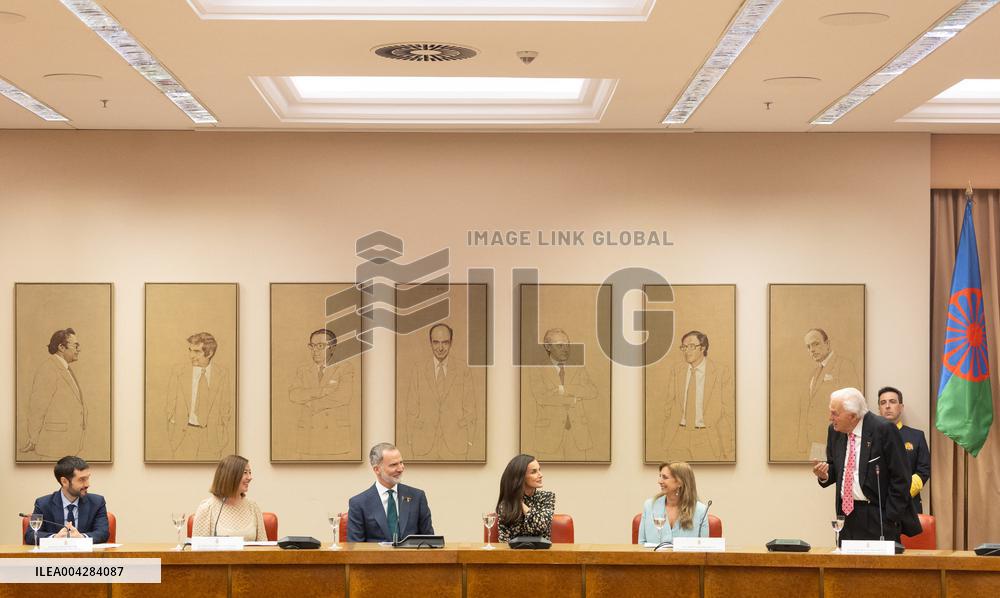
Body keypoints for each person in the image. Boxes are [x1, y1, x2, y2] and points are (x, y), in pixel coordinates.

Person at [811, 388, 921, 543]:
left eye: (835, 413)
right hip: (846, 516)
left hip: (878, 515)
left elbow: (901, 477)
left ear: (852, 416)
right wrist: (825, 475)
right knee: (846, 567)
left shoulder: (883, 429)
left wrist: (890, 517)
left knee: (879, 567)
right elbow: (836, 468)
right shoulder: (835, 431)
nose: (830, 418)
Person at [404, 323, 477, 460]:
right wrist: (410, 440)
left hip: (456, 443)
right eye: (436, 342)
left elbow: (470, 408)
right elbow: (411, 408)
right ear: (430, 342)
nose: (440, 347)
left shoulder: (463, 369)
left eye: (445, 342)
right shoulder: (418, 369)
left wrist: (469, 440)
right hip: (423, 443)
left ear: (451, 342)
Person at [661, 331, 734, 461]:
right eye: (684, 347)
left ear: (703, 347)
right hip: (678, 436)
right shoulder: (677, 370)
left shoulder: (720, 372)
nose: (686, 351)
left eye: (691, 346)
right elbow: (668, 405)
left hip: (706, 437)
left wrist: (728, 447)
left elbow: (728, 411)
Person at [528, 328, 598, 460]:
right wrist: (573, 400)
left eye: (567, 345)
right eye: (560, 345)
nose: (566, 349)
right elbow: (541, 398)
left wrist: (564, 390)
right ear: (548, 347)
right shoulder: (537, 368)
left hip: (578, 435)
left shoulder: (577, 367)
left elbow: (592, 391)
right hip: (549, 436)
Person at [288, 329, 355, 458]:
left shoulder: (345, 367)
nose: (315, 350)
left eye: (320, 346)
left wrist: (312, 404)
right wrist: (322, 391)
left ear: (333, 348)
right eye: (312, 346)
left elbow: (343, 396)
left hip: (334, 434)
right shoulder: (303, 370)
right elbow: (294, 394)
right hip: (308, 435)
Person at [347, 443, 434, 542]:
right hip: (375, 557)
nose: (400, 468)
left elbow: (429, 542)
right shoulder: (359, 503)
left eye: (401, 462)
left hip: (411, 557)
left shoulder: (417, 497)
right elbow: (355, 548)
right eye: (393, 465)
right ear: (377, 469)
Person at [166, 332, 233, 460]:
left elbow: (226, 406)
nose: (191, 356)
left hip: (213, 439)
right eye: (190, 350)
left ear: (210, 353)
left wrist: (221, 429)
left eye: (197, 352)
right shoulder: (178, 372)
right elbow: (170, 405)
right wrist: (173, 425)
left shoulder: (222, 374)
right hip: (183, 437)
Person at [21, 328, 87, 458]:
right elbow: (37, 408)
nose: (79, 349)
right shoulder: (48, 369)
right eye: (76, 345)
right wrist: (33, 439)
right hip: (53, 447)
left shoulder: (64, 368)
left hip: (67, 445)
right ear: (62, 347)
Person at [799, 329, 861, 455]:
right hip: (815, 443)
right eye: (808, 346)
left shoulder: (844, 365)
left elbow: (854, 407)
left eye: (816, 344)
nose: (812, 349)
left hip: (837, 440)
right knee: (820, 474)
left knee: (835, 474)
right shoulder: (813, 373)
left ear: (827, 344)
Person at [25, 455, 109, 544]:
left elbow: (103, 533)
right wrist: (54, 538)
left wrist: (81, 537)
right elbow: (30, 535)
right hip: (54, 557)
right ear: (64, 481)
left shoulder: (97, 502)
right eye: (81, 480)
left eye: (87, 478)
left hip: (85, 556)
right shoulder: (43, 504)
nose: (87, 484)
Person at [877, 386, 930, 513]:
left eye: (893, 401)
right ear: (879, 409)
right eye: (883, 403)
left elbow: (923, 471)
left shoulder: (917, 436)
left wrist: (900, 494)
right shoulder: (870, 438)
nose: (888, 406)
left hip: (908, 505)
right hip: (878, 507)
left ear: (901, 407)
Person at [191, 454, 266, 540]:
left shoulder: (253, 507)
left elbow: (264, 546)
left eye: (250, 472)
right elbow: (198, 551)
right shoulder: (207, 509)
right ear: (230, 476)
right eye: (245, 472)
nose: (250, 477)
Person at [637, 461, 709, 544]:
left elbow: (703, 548)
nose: (659, 481)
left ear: (680, 482)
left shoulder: (700, 510)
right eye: (660, 476)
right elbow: (641, 544)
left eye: (665, 477)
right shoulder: (649, 506)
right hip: (653, 557)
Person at [495, 454, 554, 542]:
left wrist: (520, 503)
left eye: (539, 470)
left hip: (542, 553)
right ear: (520, 477)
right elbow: (504, 540)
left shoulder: (546, 497)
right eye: (534, 472)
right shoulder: (506, 504)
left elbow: (541, 525)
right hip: (513, 554)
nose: (540, 475)